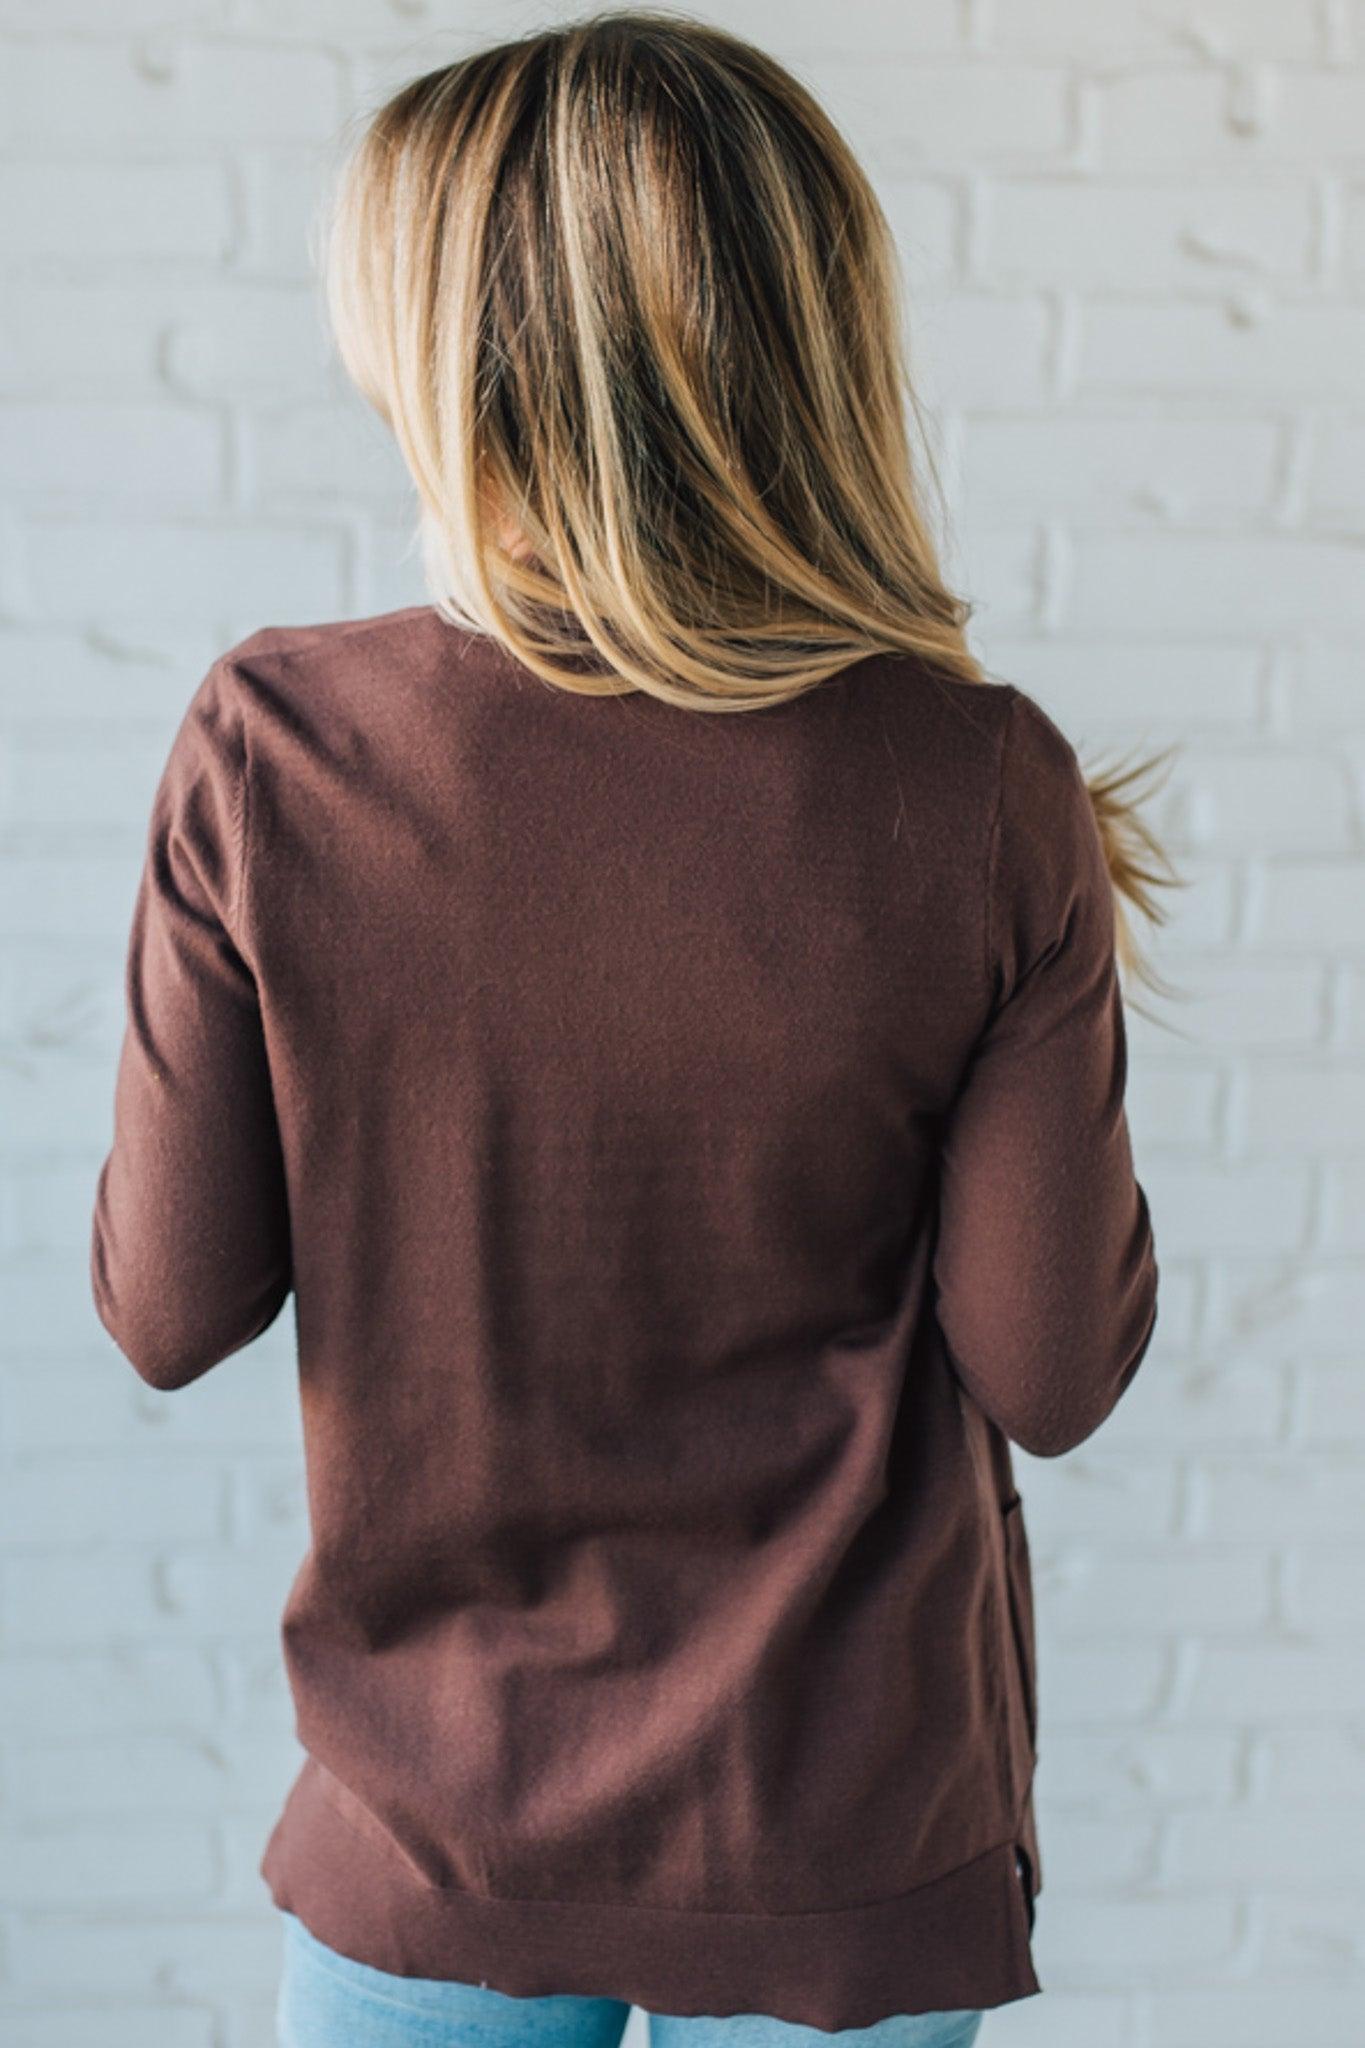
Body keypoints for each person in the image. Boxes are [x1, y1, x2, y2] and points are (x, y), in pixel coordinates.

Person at [89, 11, 1175, 2046]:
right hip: (843, 1829)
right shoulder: (981, 785)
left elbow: (163, 1310)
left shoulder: (276, 750)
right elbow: (1052, 1371)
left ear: (449, 357)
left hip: (432, 1821)